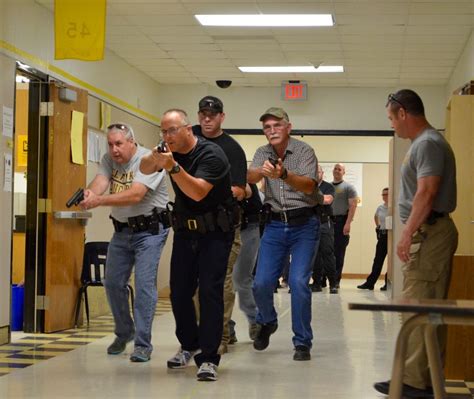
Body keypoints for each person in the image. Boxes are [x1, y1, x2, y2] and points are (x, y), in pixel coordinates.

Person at [140, 109, 237, 382]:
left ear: (188, 130)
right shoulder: (168, 150)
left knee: (209, 292)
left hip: (216, 232)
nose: (167, 136)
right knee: (179, 292)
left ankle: (208, 358)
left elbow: (196, 192)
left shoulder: (211, 155)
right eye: (163, 131)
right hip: (185, 231)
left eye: (172, 130)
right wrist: (156, 157)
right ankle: (188, 344)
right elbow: (144, 168)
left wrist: (172, 166)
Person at [374, 89, 458, 397]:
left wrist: (407, 232)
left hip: (430, 234)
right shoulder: (421, 144)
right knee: (421, 309)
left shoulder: (428, 144)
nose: (392, 125)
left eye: (391, 119)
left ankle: (416, 383)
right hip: (427, 233)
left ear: (403, 114)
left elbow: (427, 192)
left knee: (421, 309)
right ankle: (415, 378)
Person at [80, 122, 170, 363]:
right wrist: (90, 194)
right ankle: (124, 332)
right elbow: (100, 182)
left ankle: (142, 344)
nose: (114, 149)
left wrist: (99, 201)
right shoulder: (109, 159)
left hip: (150, 230)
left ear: (132, 142)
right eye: (110, 144)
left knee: (143, 286)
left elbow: (136, 194)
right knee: (112, 283)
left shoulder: (149, 159)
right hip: (121, 231)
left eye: (119, 143)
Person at [248, 107, 319, 361]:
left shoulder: (303, 152)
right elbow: (249, 176)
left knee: (299, 283)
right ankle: (266, 321)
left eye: (277, 125)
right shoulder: (262, 152)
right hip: (275, 224)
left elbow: (310, 186)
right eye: (267, 127)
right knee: (261, 282)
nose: (271, 131)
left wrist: (284, 175)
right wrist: (261, 172)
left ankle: (302, 342)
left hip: (304, 224)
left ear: (288, 127)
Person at [193, 96, 249, 353]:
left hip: (224, 225)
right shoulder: (189, 137)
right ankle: (203, 333)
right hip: (192, 227)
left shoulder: (232, 149)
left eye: (212, 115)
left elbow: (239, 189)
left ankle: (219, 338)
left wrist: (207, 190)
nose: (207, 118)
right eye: (203, 113)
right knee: (193, 284)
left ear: (221, 117)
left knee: (220, 282)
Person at [232, 183, 262, 340]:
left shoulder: (246, 180)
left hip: (248, 228)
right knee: (221, 281)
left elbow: (242, 193)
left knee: (240, 278)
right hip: (222, 228)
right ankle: (225, 326)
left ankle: (254, 319)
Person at [311, 165, 338, 294]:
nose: (316, 173)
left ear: (323, 173)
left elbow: (328, 200)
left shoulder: (328, 187)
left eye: (318, 171)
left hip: (324, 223)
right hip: (310, 224)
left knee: (327, 253)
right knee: (314, 255)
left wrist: (313, 198)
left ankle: (333, 283)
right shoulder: (308, 185)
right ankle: (316, 283)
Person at [330, 163, 357, 288]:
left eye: (339, 169)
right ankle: (325, 279)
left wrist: (347, 224)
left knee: (339, 253)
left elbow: (352, 206)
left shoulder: (348, 187)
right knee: (326, 252)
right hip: (327, 222)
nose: (336, 171)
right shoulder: (327, 187)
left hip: (341, 222)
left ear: (343, 172)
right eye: (335, 168)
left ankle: (336, 281)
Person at [358, 187, 389, 290]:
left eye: (387, 194)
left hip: (392, 236)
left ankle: (387, 283)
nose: (385, 197)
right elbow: (375, 216)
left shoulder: (394, 207)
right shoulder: (380, 207)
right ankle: (370, 283)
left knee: (391, 262)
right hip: (383, 236)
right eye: (383, 194)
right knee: (378, 260)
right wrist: (378, 226)